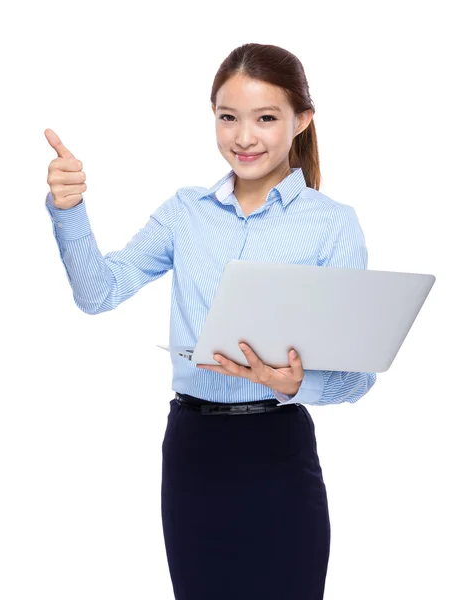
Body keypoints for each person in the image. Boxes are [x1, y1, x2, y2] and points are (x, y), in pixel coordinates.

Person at [44, 42, 377, 600]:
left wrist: (298, 382)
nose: (244, 137)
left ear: (302, 121)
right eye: (228, 118)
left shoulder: (332, 226)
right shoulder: (185, 212)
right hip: (194, 453)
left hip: (278, 453)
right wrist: (68, 210)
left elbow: (358, 378)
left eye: (266, 118)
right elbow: (98, 292)